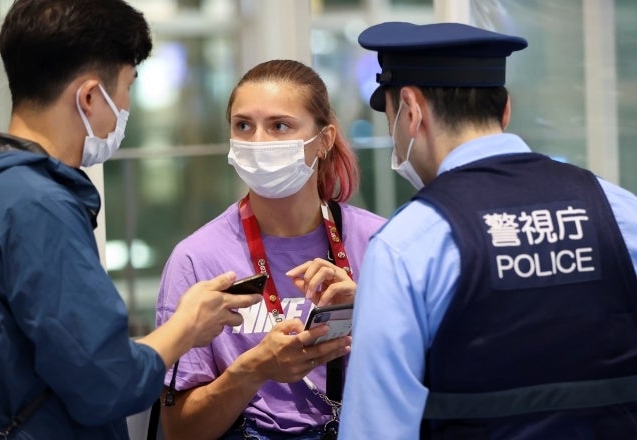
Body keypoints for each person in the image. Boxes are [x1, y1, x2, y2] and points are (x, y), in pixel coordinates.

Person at [339, 21, 637, 440]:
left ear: (411, 109)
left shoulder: (407, 246)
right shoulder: (618, 210)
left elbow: (376, 429)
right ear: (506, 108)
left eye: (390, 118)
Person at [0, 1, 261, 438]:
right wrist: (187, 326)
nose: (126, 104)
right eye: (128, 85)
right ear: (90, 96)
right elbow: (103, 381)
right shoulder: (39, 207)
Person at [155, 59, 386, 439]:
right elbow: (181, 430)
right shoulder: (196, 259)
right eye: (243, 126)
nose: (258, 143)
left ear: (324, 140)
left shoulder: (378, 243)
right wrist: (254, 370)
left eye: (280, 126)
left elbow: (432, 380)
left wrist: (371, 313)